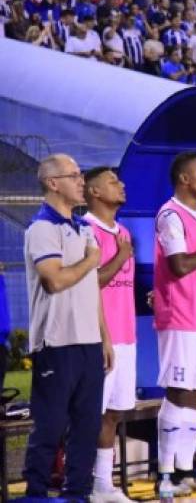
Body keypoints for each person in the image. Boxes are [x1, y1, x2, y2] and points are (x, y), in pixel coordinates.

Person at [23, 154, 114, 500]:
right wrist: (91, 260)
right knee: (49, 426)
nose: (81, 181)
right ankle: (35, 493)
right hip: (56, 343)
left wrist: (105, 337)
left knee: (87, 426)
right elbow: (55, 281)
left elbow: (91, 289)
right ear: (52, 183)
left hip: (89, 343)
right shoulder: (41, 229)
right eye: (73, 175)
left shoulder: (83, 227)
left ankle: (79, 493)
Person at [152, 151, 196, 489]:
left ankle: (185, 470)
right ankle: (165, 472)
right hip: (180, 315)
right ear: (185, 178)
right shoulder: (171, 215)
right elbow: (179, 265)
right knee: (180, 391)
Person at [83, 167, 137, 503]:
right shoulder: (85, 230)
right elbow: (94, 281)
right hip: (98, 337)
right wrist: (121, 256)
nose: (122, 184)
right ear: (93, 191)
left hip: (127, 335)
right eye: (113, 182)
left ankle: (103, 485)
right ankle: (83, 482)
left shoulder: (124, 231)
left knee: (114, 413)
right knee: (91, 414)